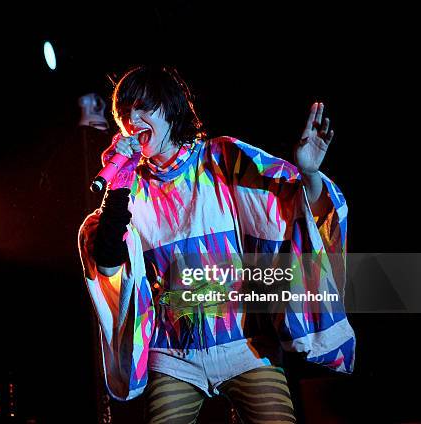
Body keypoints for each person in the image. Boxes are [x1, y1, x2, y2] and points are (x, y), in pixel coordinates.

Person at [78, 65, 355, 423]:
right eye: (124, 113)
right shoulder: (131, 187)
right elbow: (107, 263)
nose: (132, 119)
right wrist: (117, 189)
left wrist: (310, 174)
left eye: (142, 107)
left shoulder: (221, 157)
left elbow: (296, 206)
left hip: (245, 344)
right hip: (174, 353)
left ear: (170, 109)